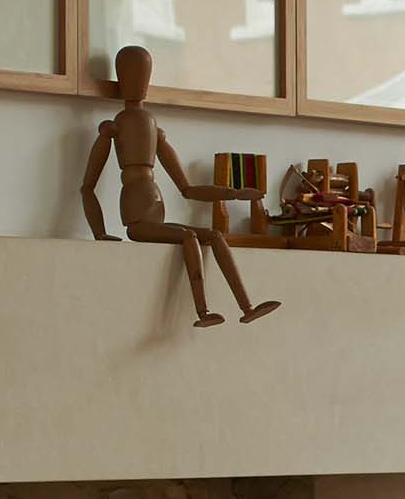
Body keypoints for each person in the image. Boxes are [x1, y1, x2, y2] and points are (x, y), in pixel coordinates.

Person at [81, 46, 280, 328]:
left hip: (154, 211)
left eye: (143, 76)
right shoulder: (113, 128)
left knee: (214, 235)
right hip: (137, 219)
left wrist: (234, 194)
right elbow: (87, 186)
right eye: (133, 76)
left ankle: (247, 306)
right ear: (121, 80)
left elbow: (187, 188)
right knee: (188, 236)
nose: (140, 84)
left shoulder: (154, 130)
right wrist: (99, 233)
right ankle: (202, 311)